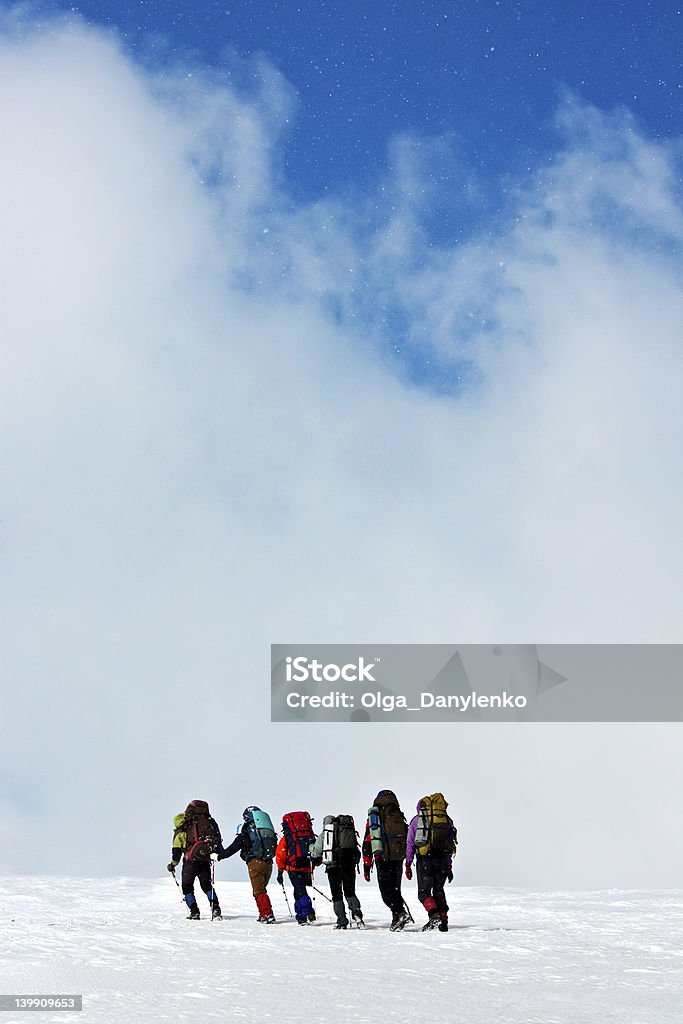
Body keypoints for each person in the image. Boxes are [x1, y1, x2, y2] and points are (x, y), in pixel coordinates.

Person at [405, 792, 458, 932]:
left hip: (425, 860)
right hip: (441, 860)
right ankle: (444, 920)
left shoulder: (416, 821)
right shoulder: (447, 820)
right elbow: (450, 844)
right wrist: (448, 866)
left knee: (423, 893)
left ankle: (434, 915)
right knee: (439, 890)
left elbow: (410, 843)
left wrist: (408, 864)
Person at [167, 799, 225, 920]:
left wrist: (173, 864)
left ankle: (194, 912)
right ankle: (216, 909)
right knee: (207, 885)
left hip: (190, 862)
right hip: (204, 859)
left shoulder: (181, 831)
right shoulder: (200, 824)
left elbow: (176, 851)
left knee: (187, 887)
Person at [219, 806, 277, 923]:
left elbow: (232, 849)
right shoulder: (266, 830)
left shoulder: (246, 832)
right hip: (269, 863)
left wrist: (219, 856)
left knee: (258, 891)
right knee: (262, 890)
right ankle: (265, 913)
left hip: (255, 863)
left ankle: (266, 914)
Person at [362, 789, 410, 931]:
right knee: (395, 889)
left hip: (382, 857)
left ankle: (400, 913)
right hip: (398, 857)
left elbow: (367, 841)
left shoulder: (375, 816)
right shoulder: (398, 814)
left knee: (386, 892)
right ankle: (397, 919)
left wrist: (366, 864)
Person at [309, 814, 364, 929]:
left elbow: (315, 852)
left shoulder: (326, 833)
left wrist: (310, 846)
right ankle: (357, 914)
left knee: (337, 894)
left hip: (333, 867)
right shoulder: (347, 830)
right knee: (350, 891)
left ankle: (342, 920)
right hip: (348, 864)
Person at [275, 810, 316, 925]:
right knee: (298, 890)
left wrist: (280, 871)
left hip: (293, 867)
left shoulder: (288, 838)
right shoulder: (309, 835)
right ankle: (300, 916)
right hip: (306, 866)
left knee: (300, 890)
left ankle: (308, 912)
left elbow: (281, 855)